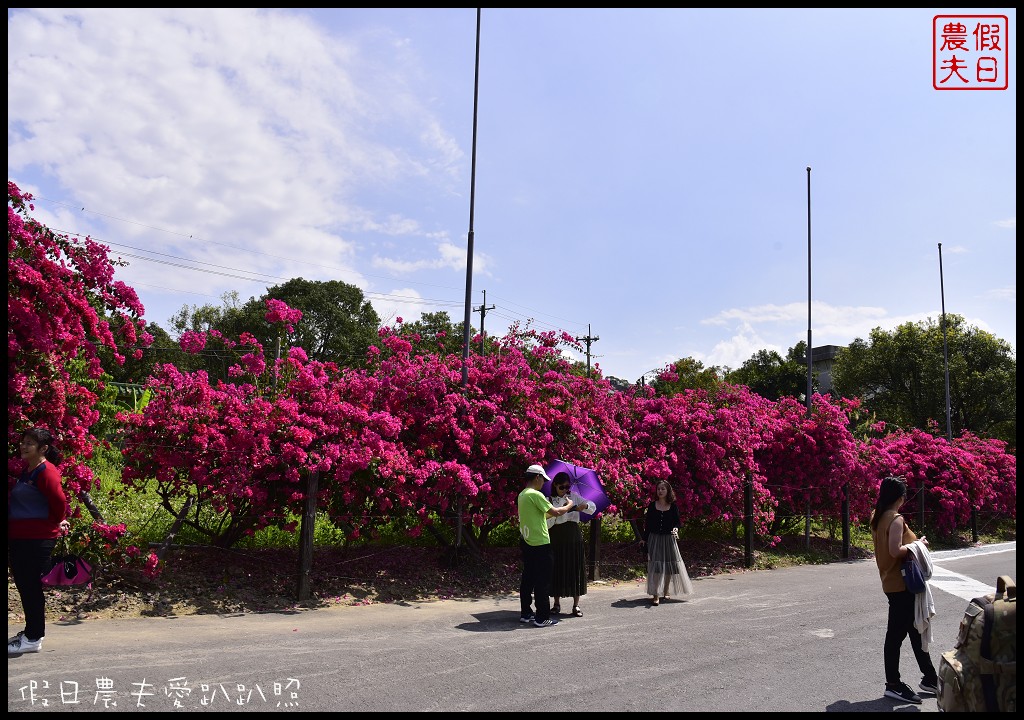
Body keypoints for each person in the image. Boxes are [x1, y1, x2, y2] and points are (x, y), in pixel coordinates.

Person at [869, 475, 939, 705]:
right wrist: (920, 545)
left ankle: (930, 678)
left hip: (892, 582)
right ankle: (893, 684)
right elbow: (895, 550)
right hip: (902, 585)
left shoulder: (877, 516)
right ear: (900, 498)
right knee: (895, 636)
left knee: (915, 631)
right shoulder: (895, 518)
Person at [8, 427, 70, 656]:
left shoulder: (47, 472)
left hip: (37, 539)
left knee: (31, 587)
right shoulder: (29, 471)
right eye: (23, 442)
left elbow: (59, 502)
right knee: (25, 586)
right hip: (21, 537)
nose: (23, 446)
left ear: (43, 448)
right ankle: (29, 633)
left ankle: (34, 638)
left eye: (29, 443)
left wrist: (54, 523)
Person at [518, 463, 583, 627]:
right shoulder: (536, 495)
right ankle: (542, 617)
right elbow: (556, 512)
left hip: (527, 541)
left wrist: (558, 510)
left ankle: (526, 613)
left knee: (528, 578)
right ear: (537, 477)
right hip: (540, 542)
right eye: (543, 479)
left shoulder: (523, 495)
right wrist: (568, 506)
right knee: (543, 581)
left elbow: (544, 515)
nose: (544, 483)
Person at [547, 472, 597, 617]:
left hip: (573, 536)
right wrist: (560, 511)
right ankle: (556, 604)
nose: (564, 490)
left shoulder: (573, 496)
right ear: (555, 485)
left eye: (567, 487)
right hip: (556, 536)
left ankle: (576, 605)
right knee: (557, 568)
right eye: (561, 487)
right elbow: (547, 521)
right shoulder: (549, 499)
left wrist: (585, 505)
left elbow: (592, 506)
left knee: (575, 568)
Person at [641, 480, 694, 606]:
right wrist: (644, 538)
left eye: (663, 489)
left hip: (669, 539)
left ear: (668, 491)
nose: (660, 491)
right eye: (659, 489)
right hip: (655, 539)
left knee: (670, 566)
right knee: (656, 567)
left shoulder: (673, 506)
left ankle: (665, 590)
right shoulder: (652, 506)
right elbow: (647, 524)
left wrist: (676, 529)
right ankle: (656, 595)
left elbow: (677, 522)